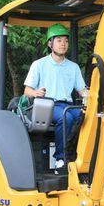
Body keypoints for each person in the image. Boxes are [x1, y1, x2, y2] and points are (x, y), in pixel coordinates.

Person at [24, 23, 86, 173]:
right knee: (66, 118)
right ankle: (61, 159)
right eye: (59, 40)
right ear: (50, 43)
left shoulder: (73, 67)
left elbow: (82, 90)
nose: (63, 44)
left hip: (68, 105)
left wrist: (91, 96)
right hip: (47, 105)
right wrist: (36, 93)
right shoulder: (39, 64)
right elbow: (27, 90)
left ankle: (82, 157)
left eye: (65, 40)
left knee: (88, 117)